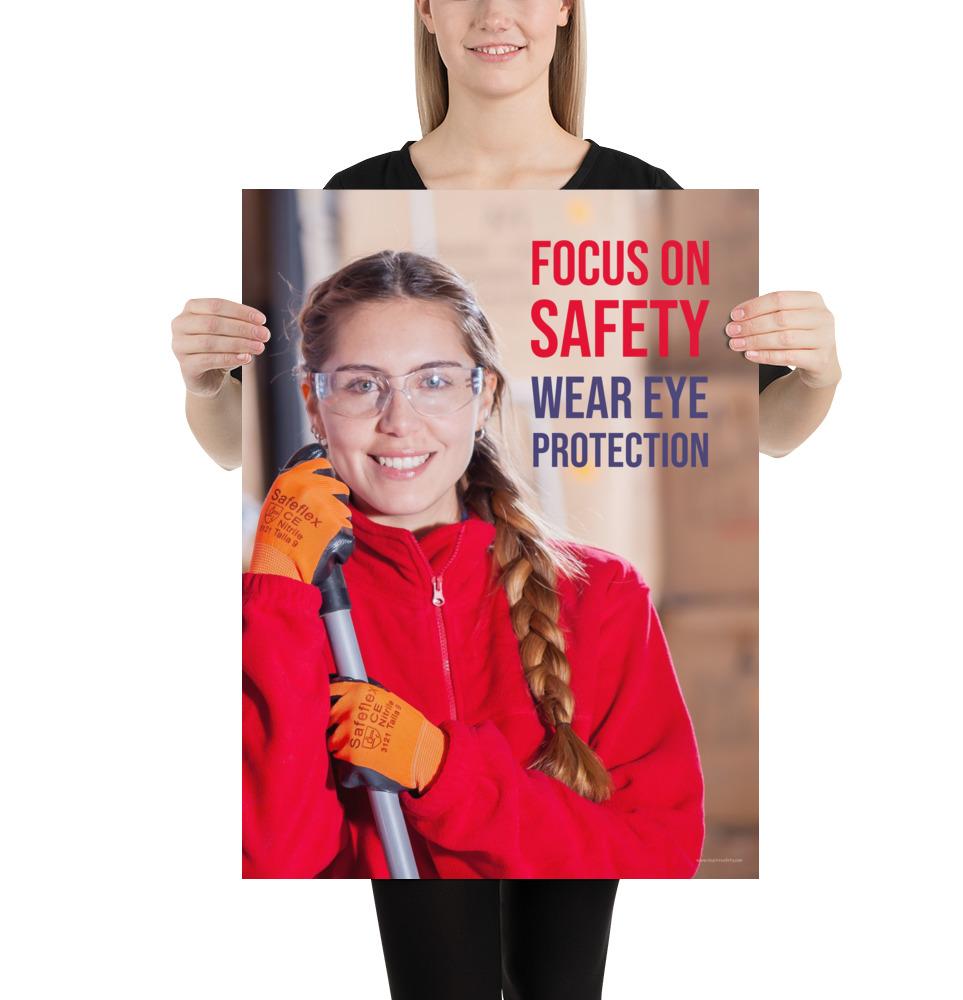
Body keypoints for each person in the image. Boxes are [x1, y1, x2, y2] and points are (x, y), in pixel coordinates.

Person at [243, 251, 705, 995]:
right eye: (362, 386)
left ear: (483, 395)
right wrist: (273, 598)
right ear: (312, 402)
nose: (400, 421)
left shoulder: (601, 596)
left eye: (434, 382)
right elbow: (273, 863)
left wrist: (442, 770)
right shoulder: (278, 610)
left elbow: (659, 852)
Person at [173, 0, 840, 472]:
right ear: (427, 8)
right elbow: (243, 446)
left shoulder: (645, 200)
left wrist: (817, 375)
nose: (494, 13)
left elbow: (765, 431)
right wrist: (206, 384)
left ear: (564, 6)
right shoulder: (354, 199)